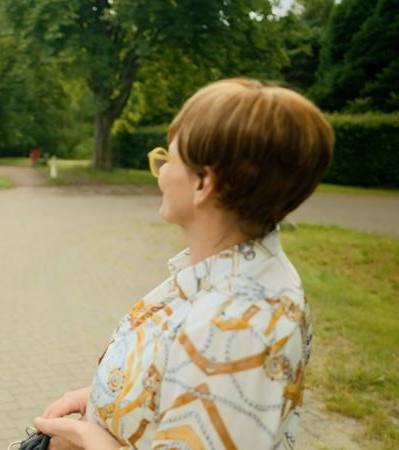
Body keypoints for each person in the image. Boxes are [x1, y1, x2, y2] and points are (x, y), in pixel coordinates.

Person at [31, 78, 333, 449]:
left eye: (168, 159)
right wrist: (101, 400)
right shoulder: (229, 273)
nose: (159, 172)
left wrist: (89, 438)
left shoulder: (233, 329)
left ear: (204, 183)